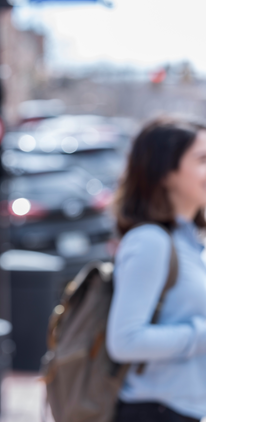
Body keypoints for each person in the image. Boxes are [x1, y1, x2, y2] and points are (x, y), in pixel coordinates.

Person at [107, 117, 206, 422]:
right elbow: (124, 341)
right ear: (164, 172)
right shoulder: (151, 241)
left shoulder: (190, 241)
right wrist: (205, 335)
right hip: (156, 411)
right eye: (204, 159)